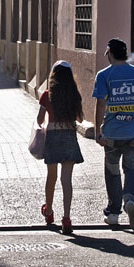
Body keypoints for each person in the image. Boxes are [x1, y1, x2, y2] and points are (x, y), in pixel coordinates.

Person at [92, 38, 134, 232]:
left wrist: (97, 130)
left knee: (112, 171)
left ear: (109, 52)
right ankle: (131, 201)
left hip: (111, 134)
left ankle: (113, 213)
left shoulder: (104, 75)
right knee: (133, 170)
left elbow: (101, 104)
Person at [36, 60, 84, 235]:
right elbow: (79, 119)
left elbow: (39, 120)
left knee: (51, 177)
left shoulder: (47, 95)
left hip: (53, 137)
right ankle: (67, 218)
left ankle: (48, 212)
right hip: (69, 136)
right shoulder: (74, 95)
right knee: (66, 180)